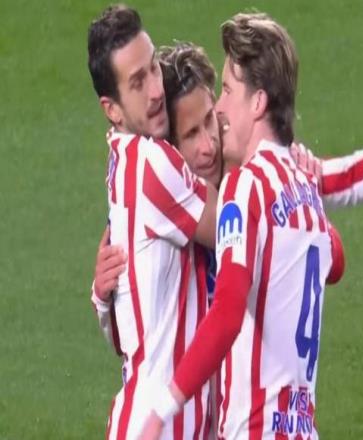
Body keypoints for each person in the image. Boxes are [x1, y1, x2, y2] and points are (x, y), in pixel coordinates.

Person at [137, 12, 363, 439]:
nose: (219, 107)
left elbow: (229, 309)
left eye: (229, 90)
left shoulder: (245, 187)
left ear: (258, 103)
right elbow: (339, 241)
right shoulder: (304, 187)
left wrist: (161, 409)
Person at [87, 6, 218, 439]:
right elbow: (239, 230)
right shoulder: (152, 165)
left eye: (154, 70)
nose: (157, 91)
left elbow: (129, 337)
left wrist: (102, 299)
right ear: (112, 109)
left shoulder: (121, 165)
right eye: (137, 83)